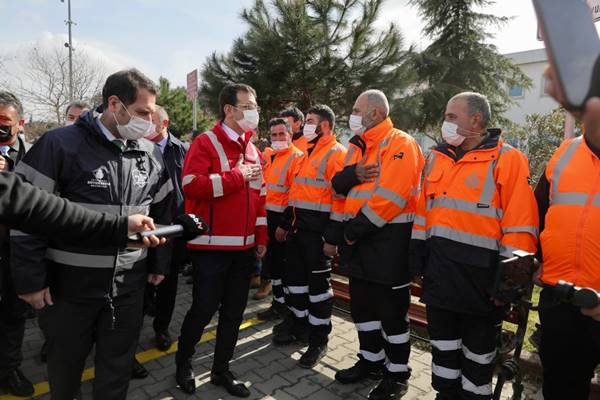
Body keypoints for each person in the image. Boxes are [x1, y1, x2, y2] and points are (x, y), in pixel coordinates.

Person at [11, 68, 174, 400]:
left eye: (153, 114)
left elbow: (161, 211)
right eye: (143, 112)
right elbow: (26, 217)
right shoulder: (59, 144)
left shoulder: (150, 153)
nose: (149, 121)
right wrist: (30, 280)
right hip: (68, 289)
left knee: (116, 373)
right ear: (115, 104)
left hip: (128, 287)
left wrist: (159, 263)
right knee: (65, 371)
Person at [410, 92, 538, 400]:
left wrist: (507, 288)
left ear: (475, 120)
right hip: (440, 278)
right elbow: (422, 215)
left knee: (478, 361)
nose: (446, 123)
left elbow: (521, 227)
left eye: (452, 117)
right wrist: (416, 263)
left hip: (481, 287)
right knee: (443, 351)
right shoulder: (437, 157)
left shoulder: (507, 160)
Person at [331, 90, 424, 399]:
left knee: (392, 316)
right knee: (364, 310)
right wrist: (352, 176)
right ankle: (370, 361)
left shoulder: (400, 143)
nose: (352, 114)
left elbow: (391, 197)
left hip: (388, 243)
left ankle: (397, 375)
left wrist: (353, 231)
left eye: (357, 109)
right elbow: (339, 185)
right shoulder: (357, 147)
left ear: (374, 113)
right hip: (359, 243)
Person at [176, 83, 266, 397]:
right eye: (249, 106)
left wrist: (261, 235)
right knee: (202, 310)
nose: (255, 112)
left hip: (243, 250)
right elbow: (191, 185)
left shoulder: (253, 148)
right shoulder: (205, 142)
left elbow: (260, 198)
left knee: (233, 314)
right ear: (229, 109)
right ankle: (183, 365)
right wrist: (236, 176)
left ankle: (221, 371)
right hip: (211, 248)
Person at [533, 65, 600, 400]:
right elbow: (539, 211)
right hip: (560, 300)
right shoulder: (564, 152)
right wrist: (537, 260)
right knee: (559, 387)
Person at [273, 104, 346, 368]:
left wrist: (332, 239)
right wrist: (285, 223)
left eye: (311, 121)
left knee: (318, 292)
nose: (306, 126)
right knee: (296, 284)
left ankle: (318, 341)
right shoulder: (305, 152)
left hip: (318, 237)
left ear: (325, 126)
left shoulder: (337, 153)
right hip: (297, 232)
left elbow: (340, 201)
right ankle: (300, 328)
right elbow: (295, 193)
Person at [144, 105, 189, 352]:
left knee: (168, 284)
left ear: (165, 123)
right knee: (142, 284)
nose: (147, 125)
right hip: (144, 226)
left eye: (153, 121)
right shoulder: (136, 147)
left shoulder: (183, 150)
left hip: (172, 230)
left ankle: (161, 328)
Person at [0, 91, 34, 396]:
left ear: (19, 123)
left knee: (14, 315)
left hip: (19, 251)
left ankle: (9, 370)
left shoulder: (36, 155)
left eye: (4, 122)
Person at [256, 117, 303, 321]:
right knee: (273, 265)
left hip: (284, 221)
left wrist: (285, 224)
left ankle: (285, 307)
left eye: (281, 134)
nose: (277, 138)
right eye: (274, 134)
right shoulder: (272, 156)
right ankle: (277, 303)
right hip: (269, 218)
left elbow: (296, 194)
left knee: (284, 267)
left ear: (290, 135)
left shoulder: (297, 157)